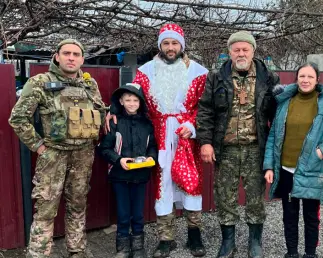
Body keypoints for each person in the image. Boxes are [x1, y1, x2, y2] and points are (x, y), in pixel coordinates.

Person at [105, 24, 208, 258]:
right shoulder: (146, 70)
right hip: (158, 134)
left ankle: (195, 235)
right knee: (163, 184)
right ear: (160, 45)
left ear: (182, 45)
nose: (170, 48)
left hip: (187, 136)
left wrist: (192, 126)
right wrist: (112, 109)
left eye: (174, 43)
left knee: (192, 182)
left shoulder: (199, 72)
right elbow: (131, 95)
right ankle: (165, 238)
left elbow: (206, 106)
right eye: (166, 43)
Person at [8, 39, 106, 258]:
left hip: (83, 155)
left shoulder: (90, 85)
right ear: (57, 56)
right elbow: (18, 118)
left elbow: (99, 110)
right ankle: (39, 254)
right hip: (53, 155)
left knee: (78, 204)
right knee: (45, 209)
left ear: (82, 59)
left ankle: (76, 250)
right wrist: (39, 146)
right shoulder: (40, 82)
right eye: (66, 53)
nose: (71, 58)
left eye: (76, 54)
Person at [196, 31, 280, 258]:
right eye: (236, 50)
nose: (241, 53)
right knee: (225, 197)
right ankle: (228, 243)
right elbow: (205, 110)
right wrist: (205, 142)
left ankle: (255, 242)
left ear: (253, 51)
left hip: (256, 147)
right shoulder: (217, 77)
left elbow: (277, 112)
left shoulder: (268, 77)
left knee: (255, 197)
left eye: (245, 49)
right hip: (226, 148)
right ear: (229, 52)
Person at [262, 63, 323, 258]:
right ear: (296, 78)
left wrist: (322, 151)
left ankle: (310, 253)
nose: (305, 80)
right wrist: (269, 165)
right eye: (302, 76)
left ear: (317, 80)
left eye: (310, 77)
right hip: (285, 169)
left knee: (311, 216)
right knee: (289, 216)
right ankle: (291, 253)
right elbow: (273, 135)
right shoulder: (285, 101)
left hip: (312, 167)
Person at [97, 83, 158, 258]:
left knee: (138, 214)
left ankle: (138, 247)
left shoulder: (147, 124)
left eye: (135, 100)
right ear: (121, 102)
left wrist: (151, 157)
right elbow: (104, 149)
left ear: (140, 103)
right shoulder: (114, 122)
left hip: (140, 175)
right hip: (120, 176)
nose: (131, 103)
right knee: (123, 214)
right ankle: (122, 248)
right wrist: (118, 160)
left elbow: (152, 146)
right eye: (128, 100)